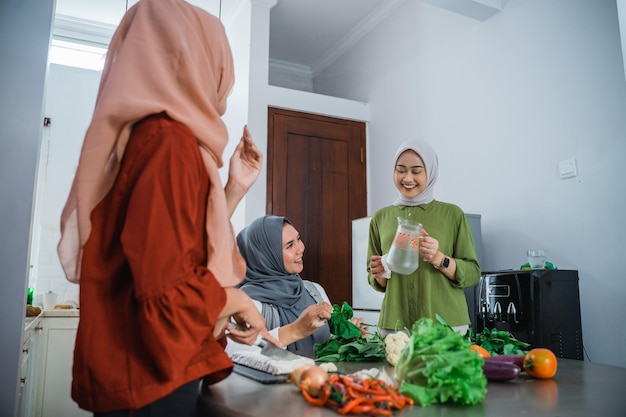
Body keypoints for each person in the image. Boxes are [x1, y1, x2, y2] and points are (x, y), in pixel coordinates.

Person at [56, 0, 277, 415]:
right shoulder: (168, 143)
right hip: (151, 374)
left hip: (141, 368)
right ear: (194, 60)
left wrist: (233, 187)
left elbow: (176, 246)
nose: (227, 78)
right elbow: (168, 289)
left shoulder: (151, 139)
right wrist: (236, 301)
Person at [367, 141, 480, 337]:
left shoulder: (452, 214)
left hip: (445, 326)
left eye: (416, 171)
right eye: (400, 170)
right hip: (395, 326)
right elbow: (376, 278)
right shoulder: (380, 218)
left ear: (430, 172)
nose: (407, 178)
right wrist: (378, 273)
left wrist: (439, 259)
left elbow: (473, 273)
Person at [227, 215, 366, 354]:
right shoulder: (245, 302)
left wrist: (349, 336)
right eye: (289, 245)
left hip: (319, 376)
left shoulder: (314, 290)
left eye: (298, 239)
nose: (301, 248)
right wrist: (297, 329)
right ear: (264, 256)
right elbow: (233, 351)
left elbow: (325, 344)